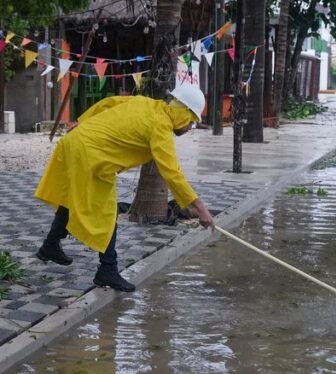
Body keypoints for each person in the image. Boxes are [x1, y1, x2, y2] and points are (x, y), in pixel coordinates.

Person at [34, 83, 215, 292]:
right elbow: (172, 173)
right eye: (191, 122)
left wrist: (83, 124)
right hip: (91, 155)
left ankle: (50, 245)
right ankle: (107, 270)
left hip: (76, 142)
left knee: (72, 198)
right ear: (183, 113)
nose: (190, 127)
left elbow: (107, 104)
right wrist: (201, 208)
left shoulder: (145, 103)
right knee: (107, 213)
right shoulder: (161, 126)